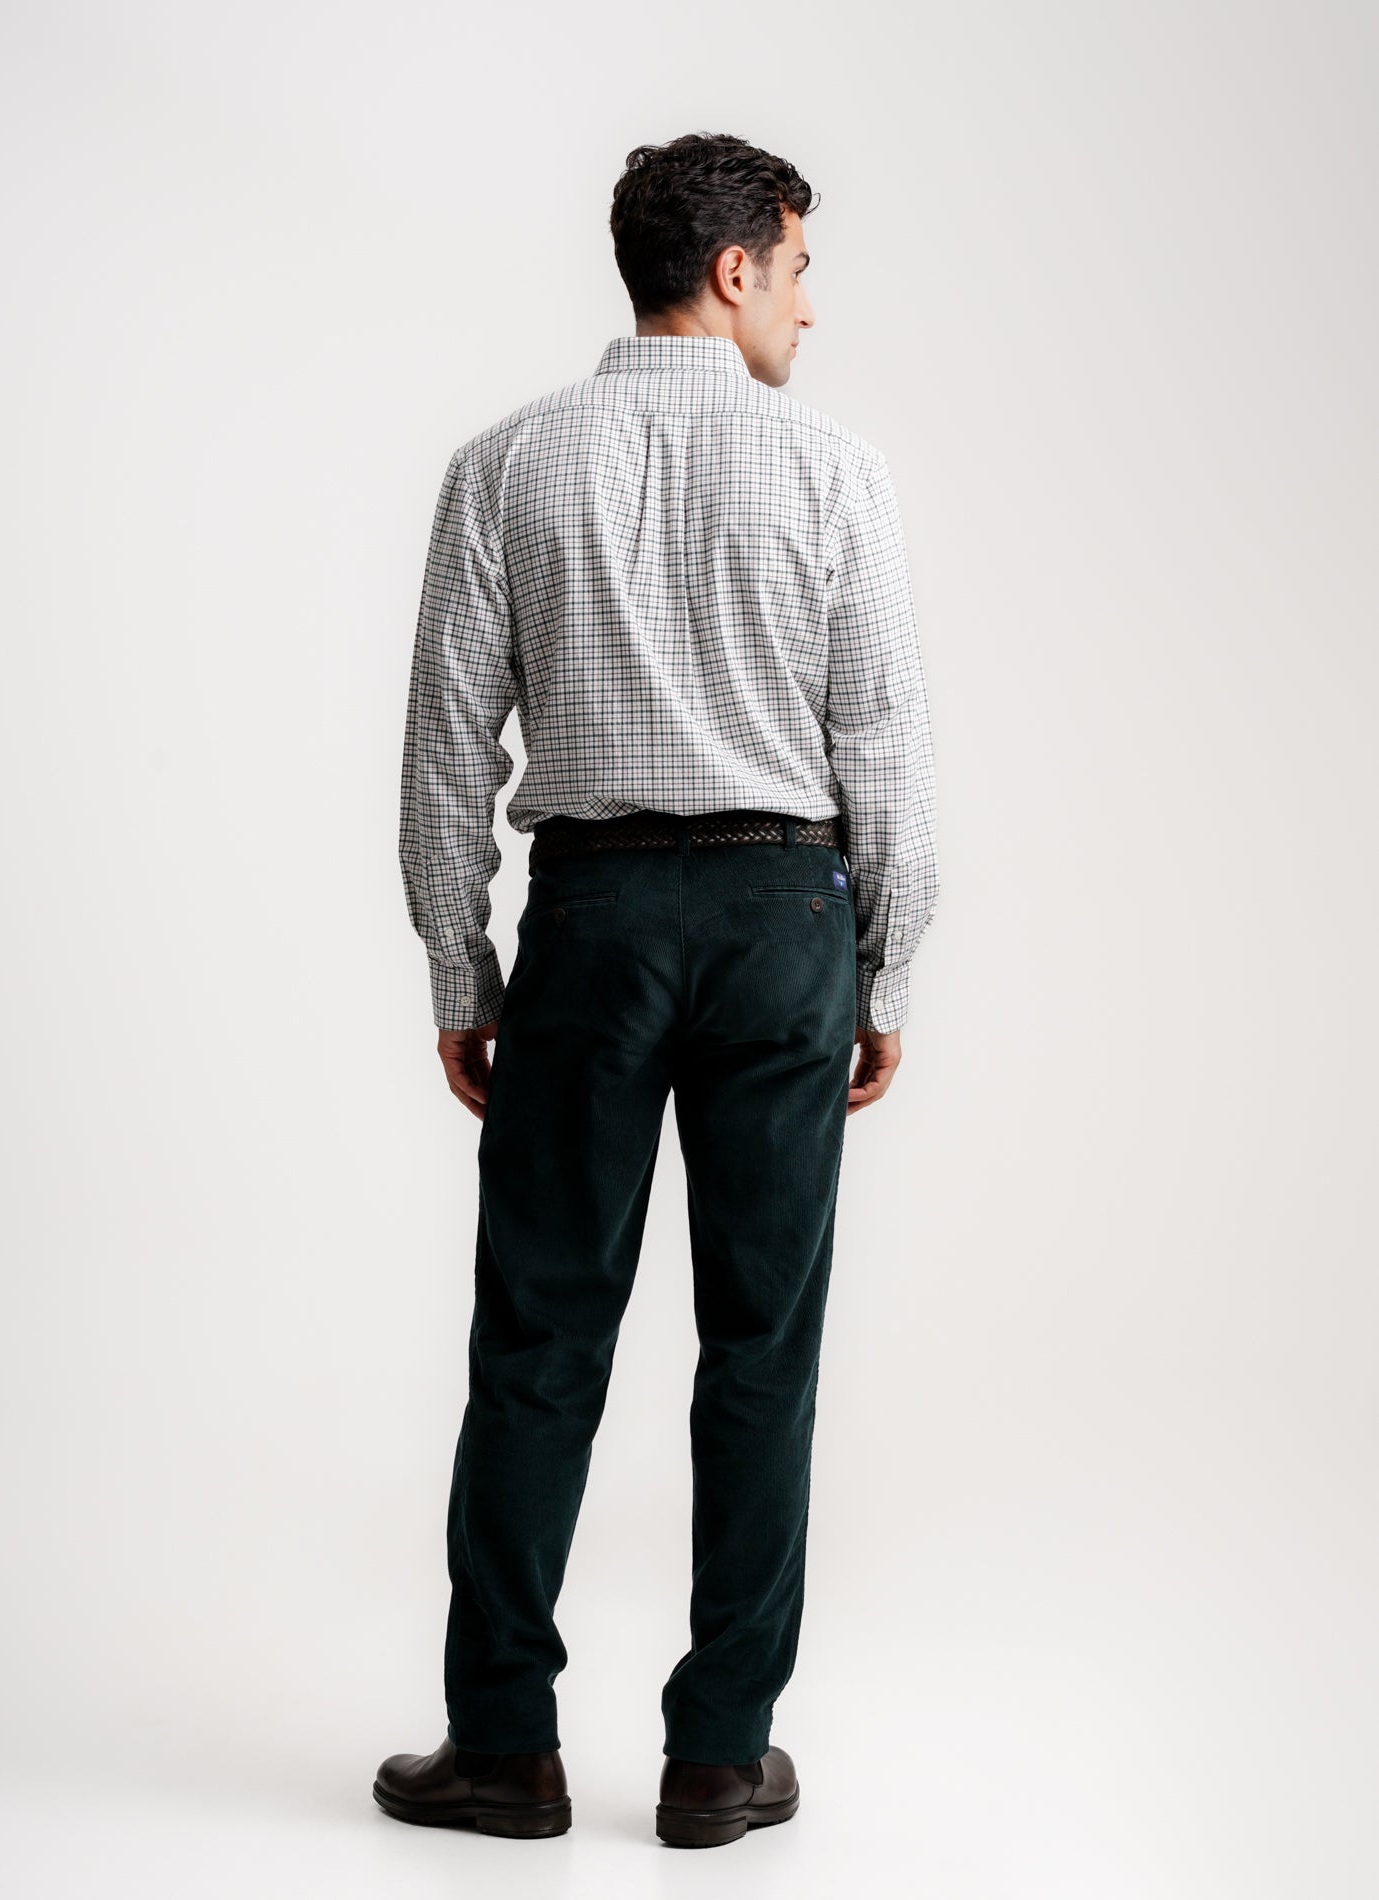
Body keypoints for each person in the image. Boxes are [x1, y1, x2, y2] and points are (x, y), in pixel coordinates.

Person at [374, 129, 939, 1848]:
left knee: (537, 1338)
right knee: (761, 1347)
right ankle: (717, 1758)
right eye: (799, 269)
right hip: (782, 921)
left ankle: (502, 1748)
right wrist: (885, 966)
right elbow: (882, 747)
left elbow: (443, 750)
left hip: (592, 922)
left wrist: (461, 966)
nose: (808, 308)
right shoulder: (835, 471)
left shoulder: (503, 465)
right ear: (734, 267)